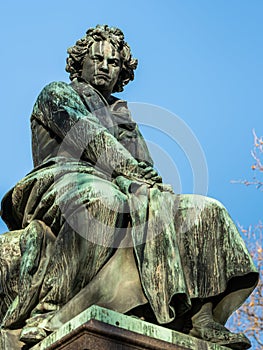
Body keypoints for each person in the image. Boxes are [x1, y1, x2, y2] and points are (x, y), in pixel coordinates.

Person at [0, 25, 258, 349]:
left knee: (204, 212)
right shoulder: (56, 94)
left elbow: (148, 169)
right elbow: (90, 138)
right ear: (80, 62)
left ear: (122, 72)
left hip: (129, 184)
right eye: (97, 58)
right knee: (101, 201)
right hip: (65, 178)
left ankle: (199, 315)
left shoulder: (125, 118)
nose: (105, 66)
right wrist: (132, 173)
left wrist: (149, 186)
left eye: (114, 63)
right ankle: (49, 309)